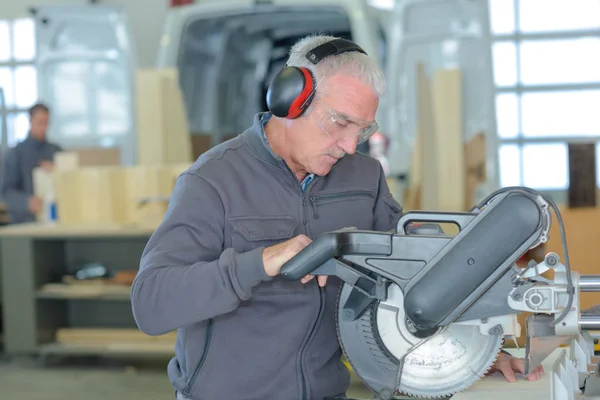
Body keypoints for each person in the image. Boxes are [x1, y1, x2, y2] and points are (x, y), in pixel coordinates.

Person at [131, 35, 543, 400]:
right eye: (341, 122)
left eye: (362, 130)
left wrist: (479, 353)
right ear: (291, 99)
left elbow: (417, 280)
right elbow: (151, 304)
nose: (349, 145)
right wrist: (259, 263)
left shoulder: (364, 178)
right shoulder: (213, 180)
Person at [1, 103, 62, 224]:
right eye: (40, 122)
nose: (43, 128)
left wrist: (58, 171)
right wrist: (27, 202)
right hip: (25, 222)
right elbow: (6, 192)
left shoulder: (56, 152)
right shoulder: (15, 154)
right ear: (30, 121)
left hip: (55, 220)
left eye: (46, 123)